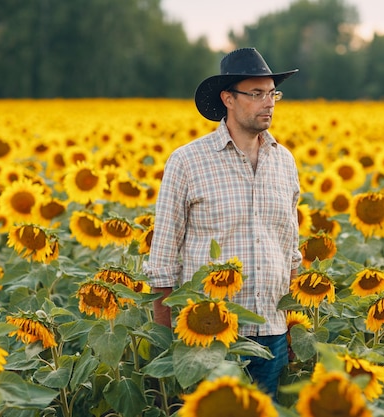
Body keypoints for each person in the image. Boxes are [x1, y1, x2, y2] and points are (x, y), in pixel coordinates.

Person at [143, 47, 302, 398]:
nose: (269, 102)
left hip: (273, 334)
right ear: (228, 98)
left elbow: (290, 251)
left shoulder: (284, 162)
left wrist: (292, 326)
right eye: (257, 93)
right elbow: (162, 262)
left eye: (272, 93)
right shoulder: (187, 162)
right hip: (207, 337)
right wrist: (172, 337)